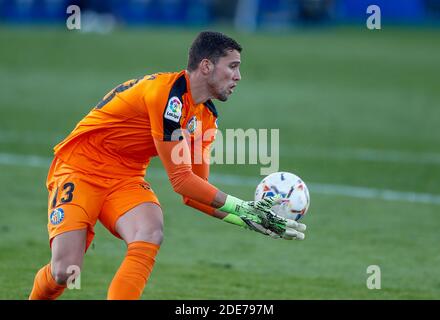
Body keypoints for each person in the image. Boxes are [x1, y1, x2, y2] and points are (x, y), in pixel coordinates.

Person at [29, 31, 306, 300]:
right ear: (206, 66)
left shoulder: (205, 118)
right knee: (65, 271)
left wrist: (248, 219)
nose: (238, 76)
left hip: (125, 176)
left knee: (150, 230)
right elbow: (182, 180)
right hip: (79, 169)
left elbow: (195, 193)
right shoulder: (167, 97)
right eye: (232, 67)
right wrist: (242, 207)